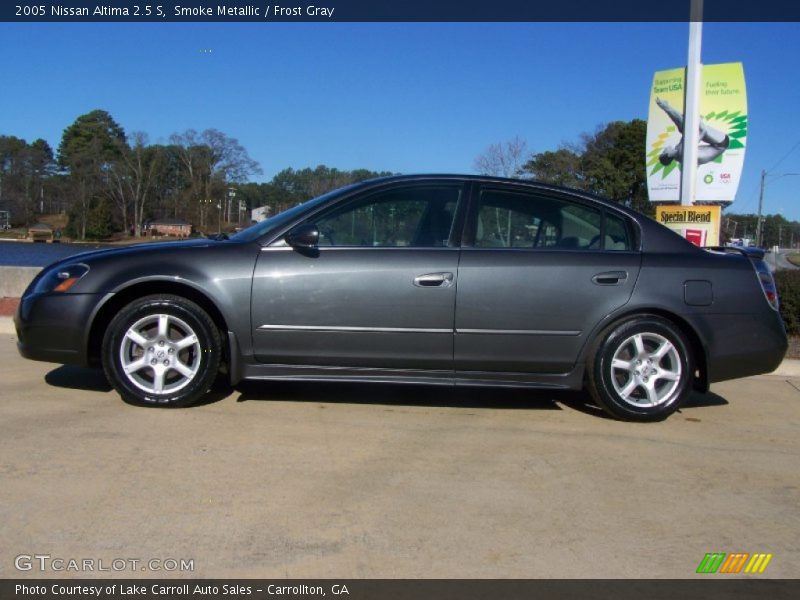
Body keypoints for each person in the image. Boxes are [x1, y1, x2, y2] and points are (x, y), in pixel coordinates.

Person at [656, 97, 730, 166]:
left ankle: (665, 106)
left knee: (684, 127)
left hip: (716, 145)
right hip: (721, 144)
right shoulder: (682, 152)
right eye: (664, 152)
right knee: (688, 127)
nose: (664, 149)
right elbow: (701, 133)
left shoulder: (678, 154)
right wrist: (698, 122)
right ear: (669, 155)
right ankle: (664, 106)